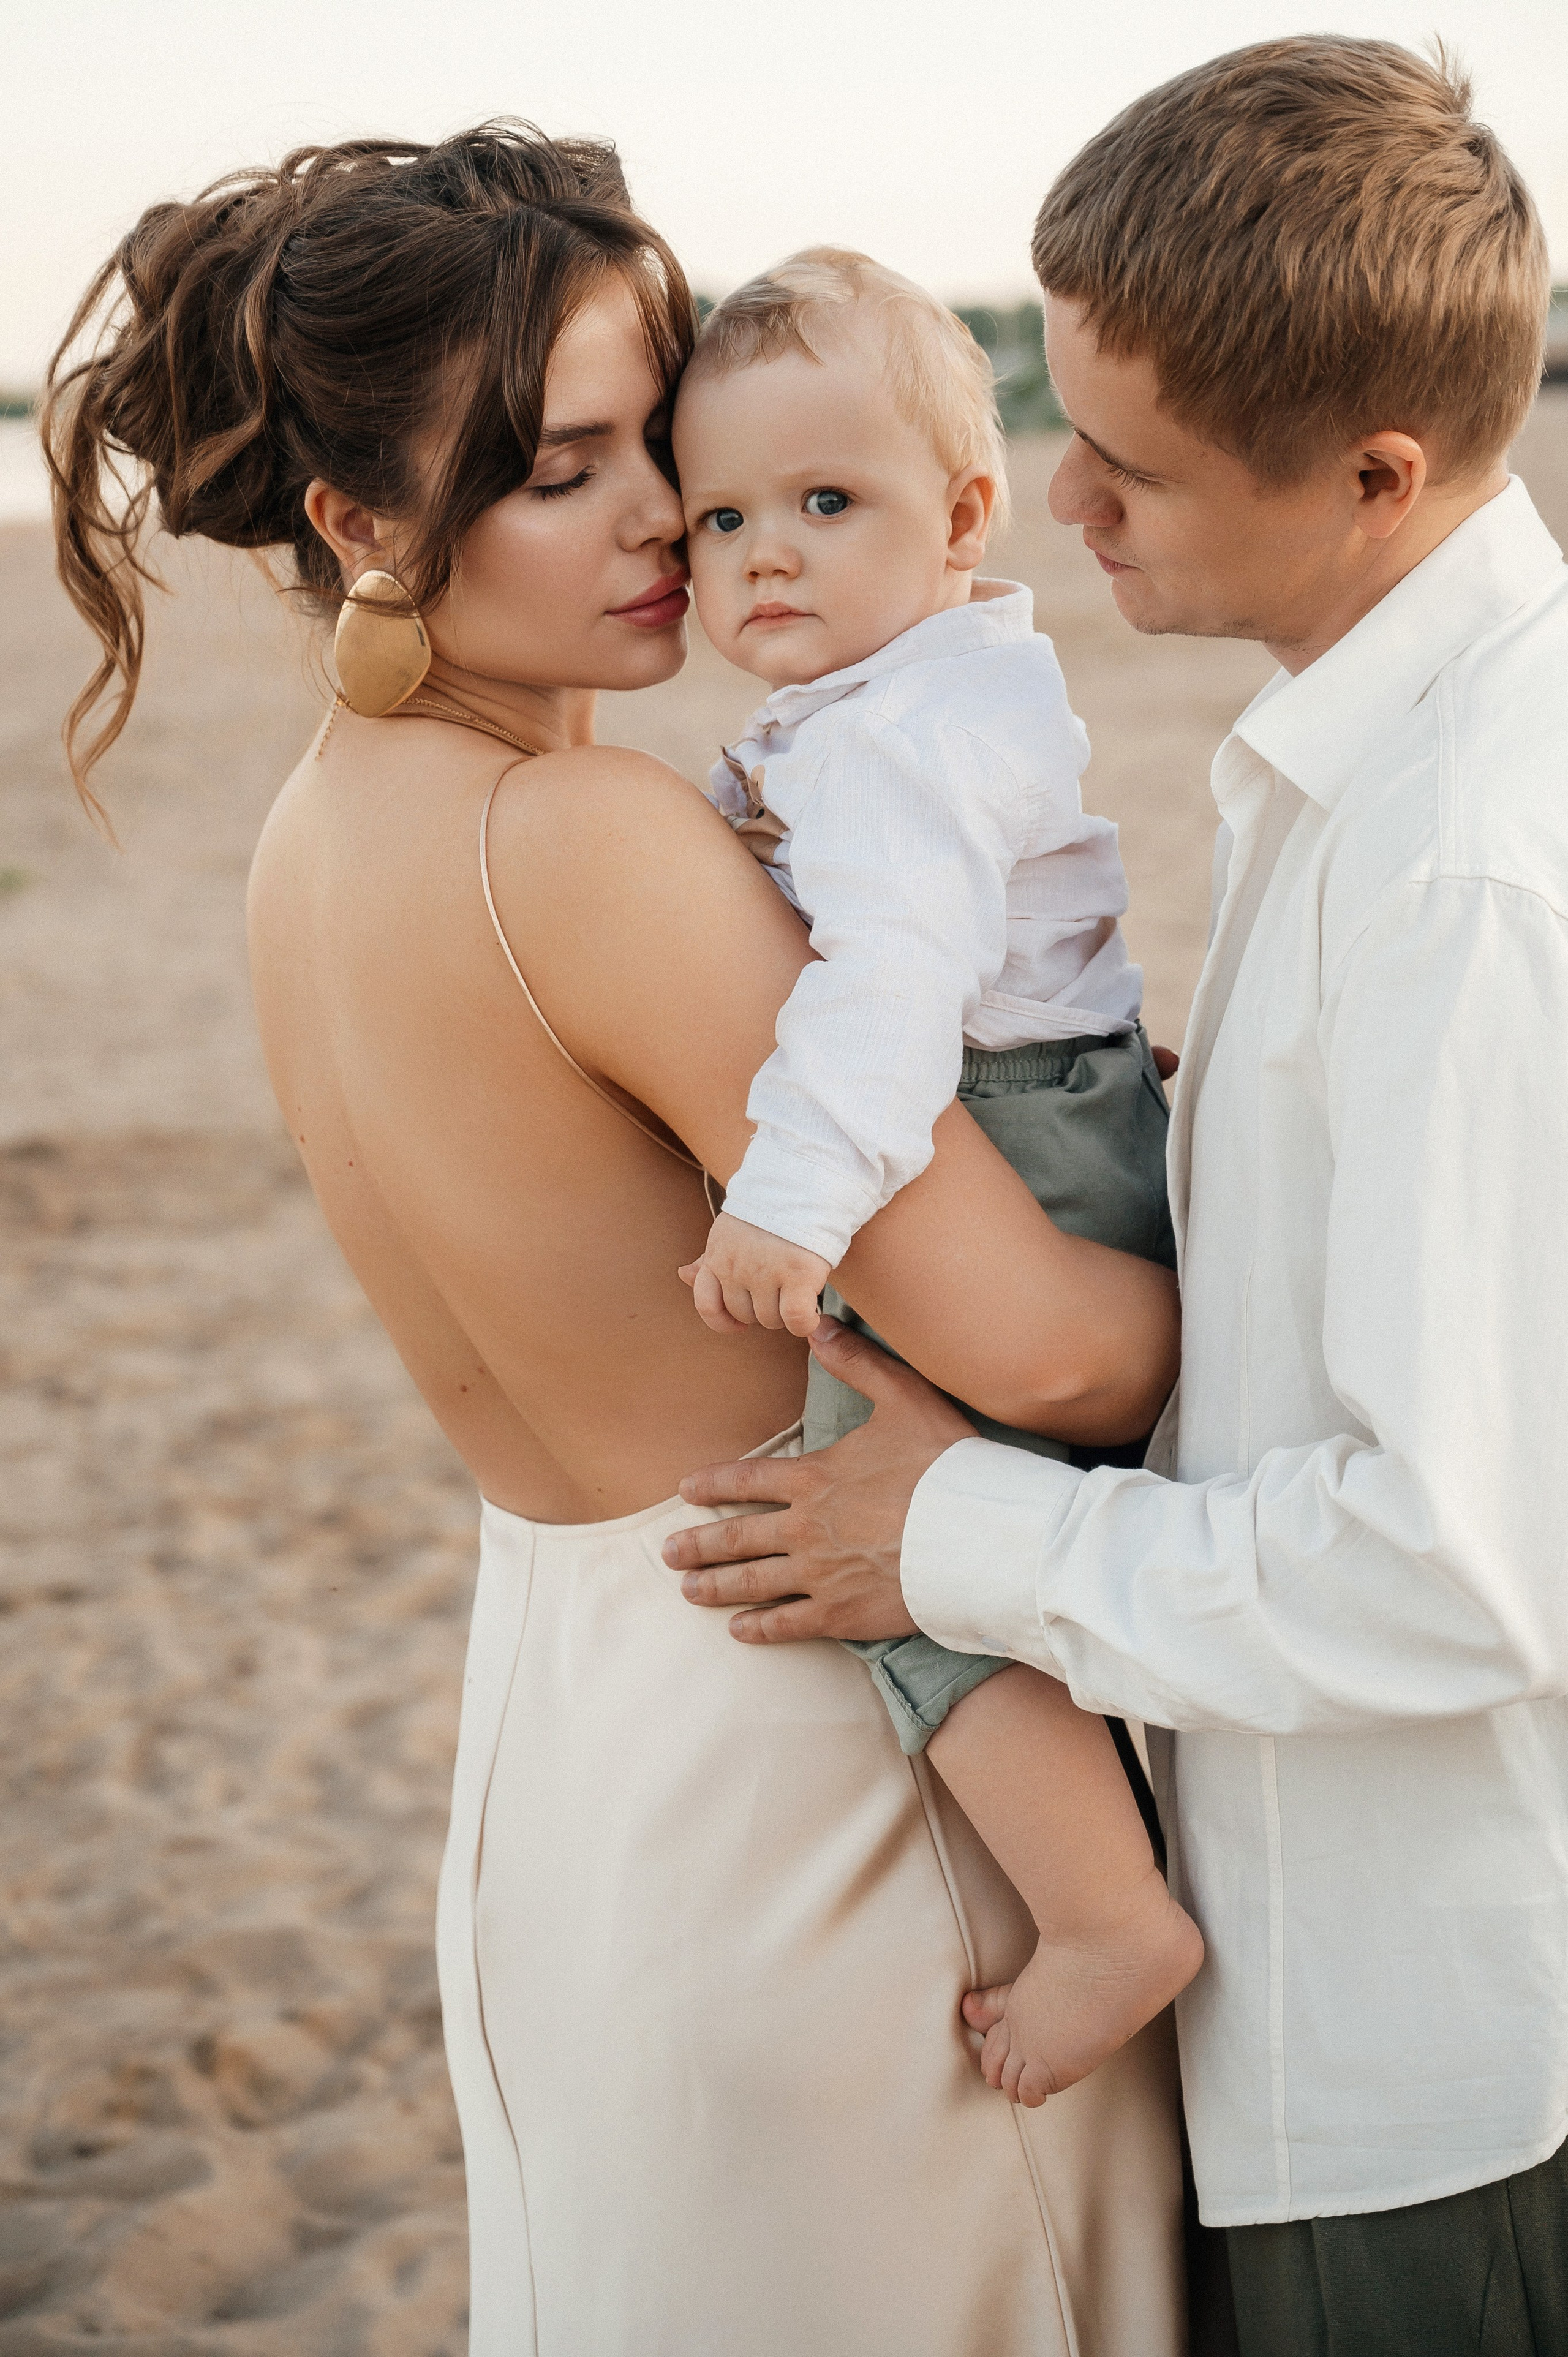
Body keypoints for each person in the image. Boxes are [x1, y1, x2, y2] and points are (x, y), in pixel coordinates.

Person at [43, 123, 1188, 2354]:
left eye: (655, 436)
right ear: (362, 521)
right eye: (563, 471)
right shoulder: (590, 843)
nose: (669, 515)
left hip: (563, 1783)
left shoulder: (313, 840)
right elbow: (1051, 1354)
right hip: (840, 1783)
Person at [665, 37, 1568, 2357]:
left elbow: (1468, 1565)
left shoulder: (1468, 867)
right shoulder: (1370, 762)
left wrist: (952, 1539)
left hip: (1432, 2072)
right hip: (1354, 2022)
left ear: (1376, 473)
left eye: (1131, 465)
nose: (1056, 504)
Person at [672, 245, 1201, 2105]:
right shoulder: (925, 693)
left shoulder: (898, 741)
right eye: (723, 515)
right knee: (985, 1516)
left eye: (829, 503)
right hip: (1049, 1106)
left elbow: (890, 985)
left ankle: (1107, 1918)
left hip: (992, 1125)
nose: (768, 555)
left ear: (966, 516)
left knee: (895, 1541)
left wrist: (791, 1201)